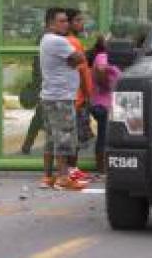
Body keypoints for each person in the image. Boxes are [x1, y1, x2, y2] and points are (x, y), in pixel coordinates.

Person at [39, 8, 87, 191]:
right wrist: (73, 60)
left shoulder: (46, 40)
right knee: (64, 138)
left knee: (51, 138)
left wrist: (72, 60)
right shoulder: (57, 41)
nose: (66, 24)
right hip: (61, 97)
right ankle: (64, 178)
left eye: (67, 21)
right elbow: (80, 57)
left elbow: (74, 59)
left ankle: (47, 177)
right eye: (62, 21)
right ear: (51, 23)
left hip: (50, 96)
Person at [65, 9, 94, 181]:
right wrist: (88, 93)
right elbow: (82, 70)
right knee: (74, 136)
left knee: (67, 135)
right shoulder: (73, 42)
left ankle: (69, 169)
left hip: (67, 95)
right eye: (77, 20)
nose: (81, 24)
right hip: (76, 97)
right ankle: (72, 169)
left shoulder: (61, 42)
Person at [91, 35, 122, 174]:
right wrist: (106, 85)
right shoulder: (103, 56)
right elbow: (101, 70)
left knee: (107, 136)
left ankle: (107, 167)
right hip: (104, 104)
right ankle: (102, 168)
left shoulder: (110, 57)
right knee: (104, 137)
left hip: (110, 104)